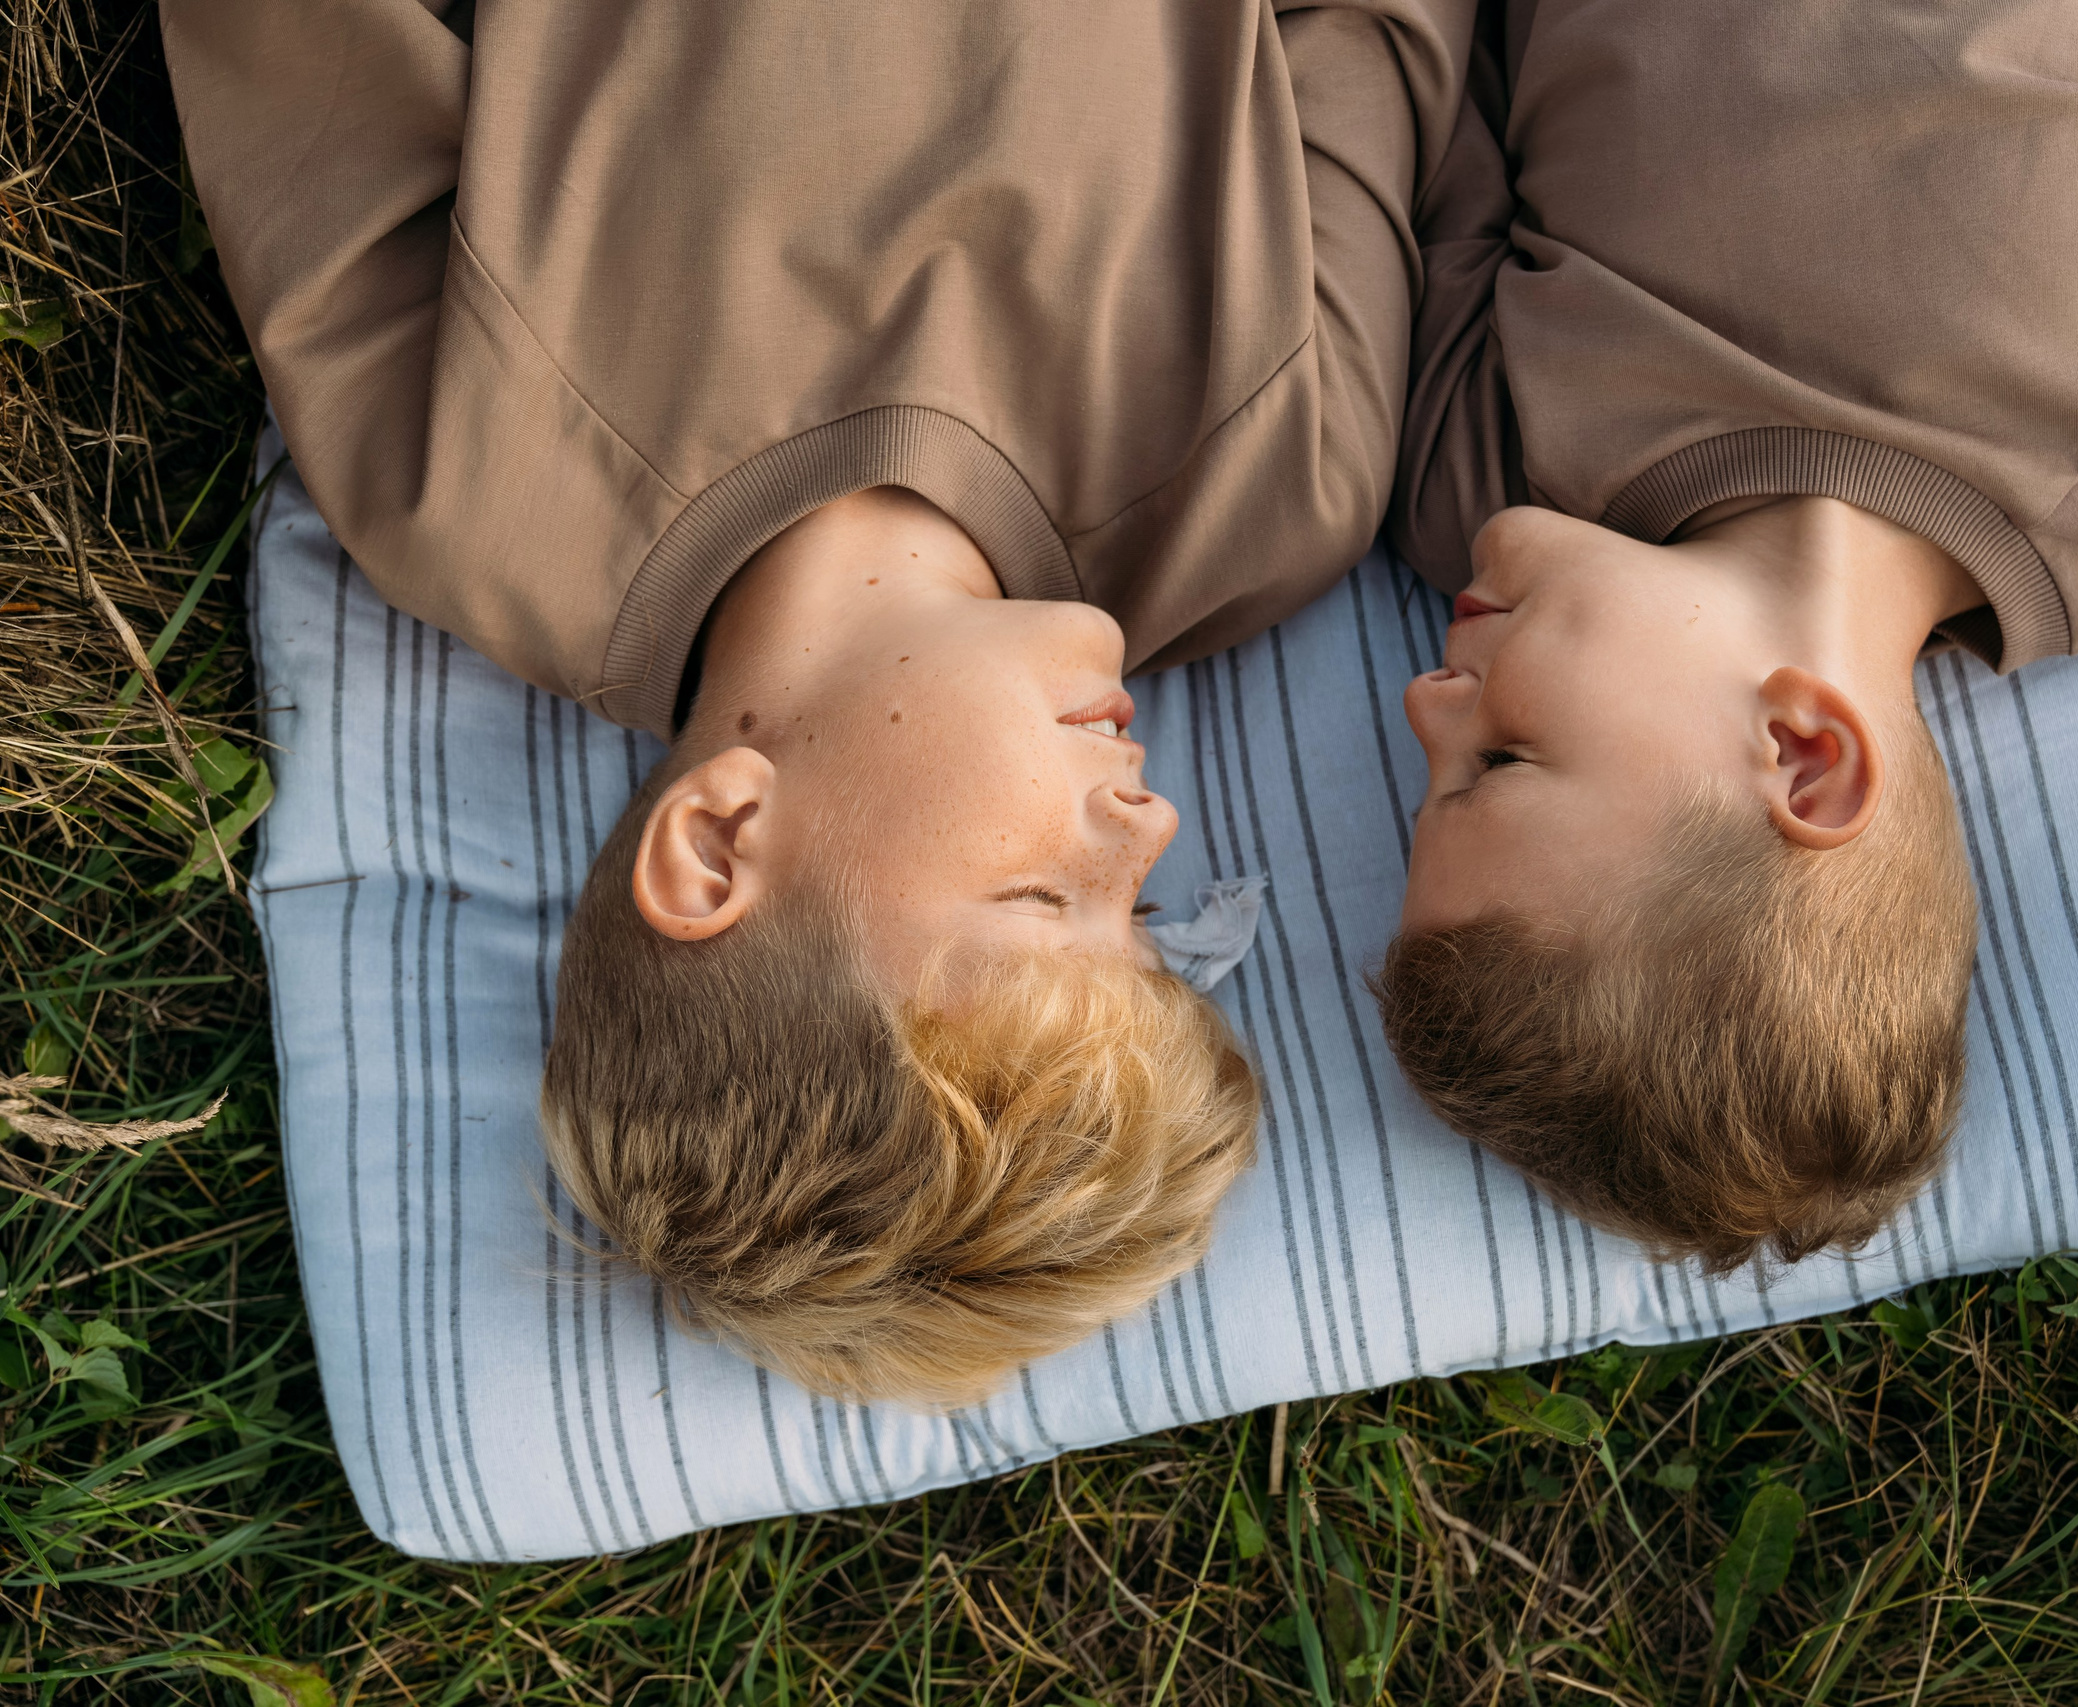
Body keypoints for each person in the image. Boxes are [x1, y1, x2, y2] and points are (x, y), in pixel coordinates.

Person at [163, 0, 1473, 1404]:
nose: (1144, 826)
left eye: (1045, 897)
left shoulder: (467, 491)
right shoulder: (1276, 486)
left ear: (719, 840)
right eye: (1143, 914)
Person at [1378, 0, 2078, 1269]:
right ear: (1803, 754)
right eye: (1497, 763)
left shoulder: (1475, 476)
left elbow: (1417, 89)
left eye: (1427, 771)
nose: (1425, 704)